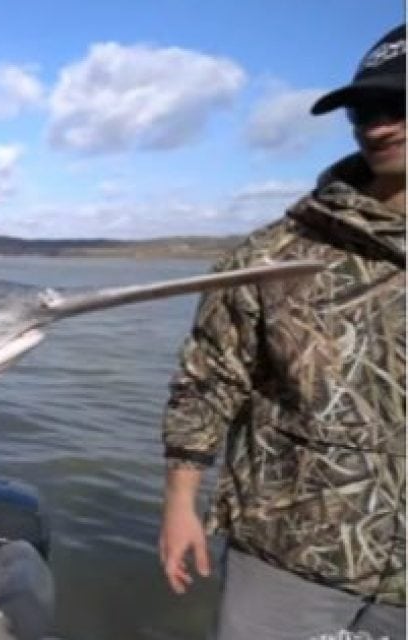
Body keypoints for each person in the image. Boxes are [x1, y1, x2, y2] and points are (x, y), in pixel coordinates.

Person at [157, 24, 406, 640]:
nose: (378, 126)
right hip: (289, 552)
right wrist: (180, 504)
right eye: (365, 111)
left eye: (400, 105)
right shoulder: (278, 253)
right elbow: (207, 380)